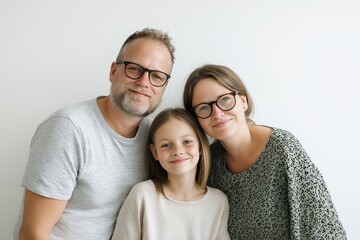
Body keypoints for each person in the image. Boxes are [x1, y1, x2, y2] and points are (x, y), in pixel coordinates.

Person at [13, 28, 175, 240]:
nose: (144, 82)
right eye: (134, 69)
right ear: (113, 71)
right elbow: (32, 234)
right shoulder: (68, 129)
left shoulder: (157, 137)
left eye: (157, 76)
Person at [183, 64, 347, 239]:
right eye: (203, 108)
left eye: (225, 99)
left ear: (243, 101)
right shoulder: (209, 164)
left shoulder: (283, 147)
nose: (217, 113)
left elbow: (324, 227)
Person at [111, 108, 230, 240]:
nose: (177, 151)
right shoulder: (142, 195)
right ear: (155, 152)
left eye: (187, 142)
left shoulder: (218, 202)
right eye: (166, 145)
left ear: (201, 146)